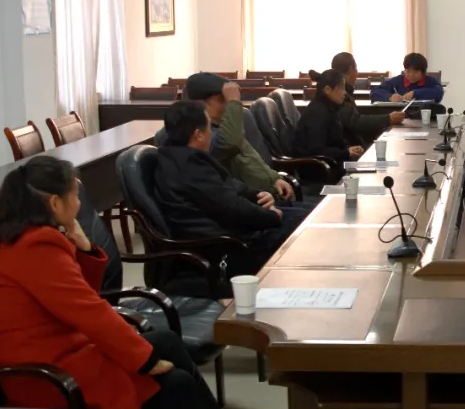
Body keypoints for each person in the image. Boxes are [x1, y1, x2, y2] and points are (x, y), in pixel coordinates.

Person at [0, 155, 219, 409]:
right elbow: (90, 311)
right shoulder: (36, 249)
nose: (80, 203)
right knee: (176, 384)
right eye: (75, 195)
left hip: (62, 352)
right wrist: (146, 361)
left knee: (168, 342)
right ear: (55, 203)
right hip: (47, 376)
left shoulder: (23, 239)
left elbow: (80, 298)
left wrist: (84, 249)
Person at [155, 100, 308, 273]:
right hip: (229, 246)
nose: (212, 133)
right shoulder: (189, 167)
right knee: (309, 225)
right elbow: (231, 207)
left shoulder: (179, 156)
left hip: (234, 229)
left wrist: (259, 195)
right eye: (209, 127)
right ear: (198, 135)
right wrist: (271, 216)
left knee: (310, 213)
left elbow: (230, 189)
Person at [177, 71, 298, 201]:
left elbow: (252, 159)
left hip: (268, 195)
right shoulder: (199, 135)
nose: (227, 106)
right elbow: (229, 144)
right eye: (222, 100)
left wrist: (274, 179)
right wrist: (233, 102)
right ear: (202, 105)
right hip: (251, 201)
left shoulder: (223, 125)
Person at [315, 52, 405, 146]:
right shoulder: (338, 94)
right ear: (351, 70)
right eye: (356, 68)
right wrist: (388, 118)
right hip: (347, 147)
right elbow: (354, 122)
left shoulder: (334, 90)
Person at [294, 69, 364, 170]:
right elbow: (316, 151)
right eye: (341, 88)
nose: (344, 93)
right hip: (318, 169)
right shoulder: (317, 112)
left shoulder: (330, 107)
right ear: (327, 90)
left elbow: (334, 141)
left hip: (332, 164)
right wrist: (345, 153)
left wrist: (348, 148)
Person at [370, 52, 444, 103]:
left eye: (415, 72)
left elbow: (439, 93)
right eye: (408, 71)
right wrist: (389, 97)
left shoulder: (430, 81)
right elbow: (374, 92)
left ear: (423, 72)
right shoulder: (397, 81)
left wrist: (415, 93)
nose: (411, 75)